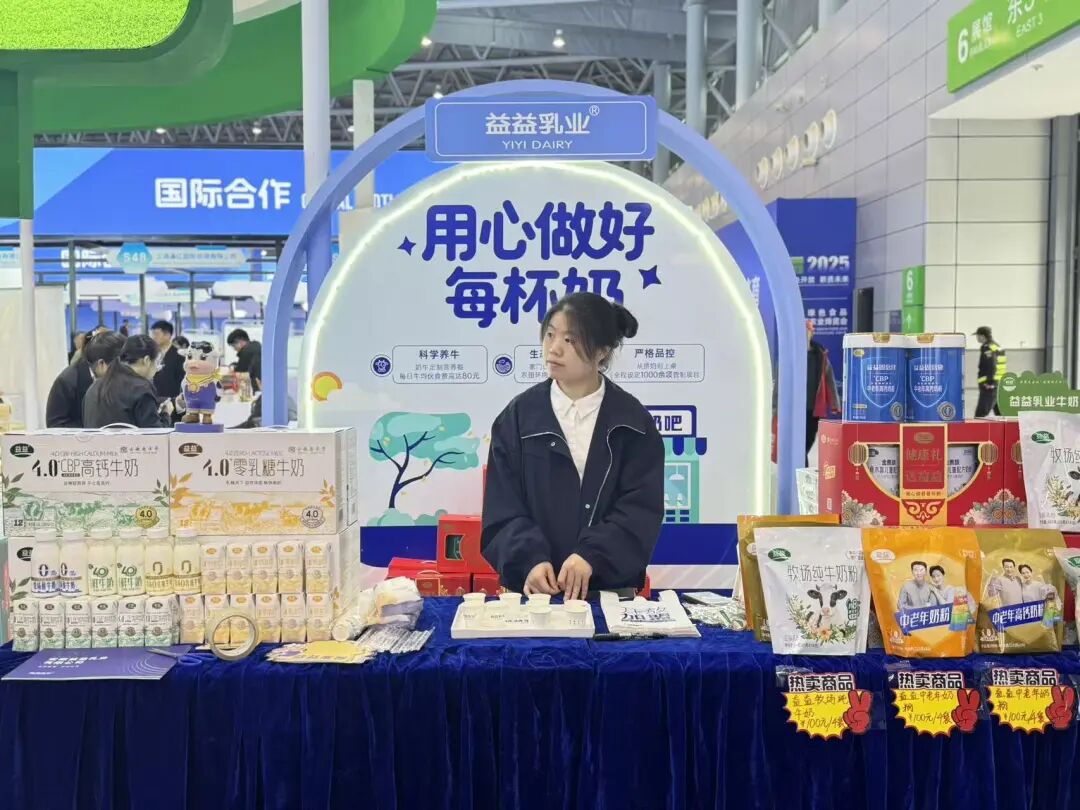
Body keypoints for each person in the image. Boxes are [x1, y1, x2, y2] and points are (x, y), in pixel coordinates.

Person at [481, 293, 664, 600]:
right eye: (550, 335)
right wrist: (529, 560)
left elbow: (640, 510)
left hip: (608, 595)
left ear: (602, 351)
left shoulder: (633, 423)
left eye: (570, 339)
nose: (554, 348)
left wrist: (591, 556)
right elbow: (502, 509)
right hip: (534, 595)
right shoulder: (518, 418)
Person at [83, 335, 172, 429]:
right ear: (147, 360)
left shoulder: (94, 387)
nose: (157, 369)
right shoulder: (142, 387)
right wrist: (166, 414)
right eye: (157, 362)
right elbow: (154, 432)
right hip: (128, 439)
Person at [46, 331, 125, 428]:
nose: (124, 371)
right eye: (120, 365)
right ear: (101, 364)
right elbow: (55, 425)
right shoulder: (67, 382)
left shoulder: (119, 380)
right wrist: (93, 428)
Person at [805, 320, 840, 463]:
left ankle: (800, 466)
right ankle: (800, 468)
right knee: (799, 445)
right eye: (807, 329)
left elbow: (829, 377)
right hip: (795, 409)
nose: (809, 332)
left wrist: (835, 403)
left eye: (810, 330)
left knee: (809, 439)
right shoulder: (791, 353)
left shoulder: (819, 353)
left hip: (813, 408)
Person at [974, 326, 1007, 417]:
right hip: (998, 384)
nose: (977, 338)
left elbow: (991, 364)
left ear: (982, 336)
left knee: (980, 415)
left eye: (977, 335)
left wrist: (989, 382)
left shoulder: (987, 347)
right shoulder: (997, 346)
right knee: (1000, 414)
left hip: (989, 386)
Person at [150, 320, 185, 402]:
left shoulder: (179, 355)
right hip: (154, 399)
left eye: (156, 334)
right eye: (152, 334)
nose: (153, 337)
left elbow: (182, 381)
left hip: (171, 401)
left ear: (167, 335)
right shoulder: (153, 353)